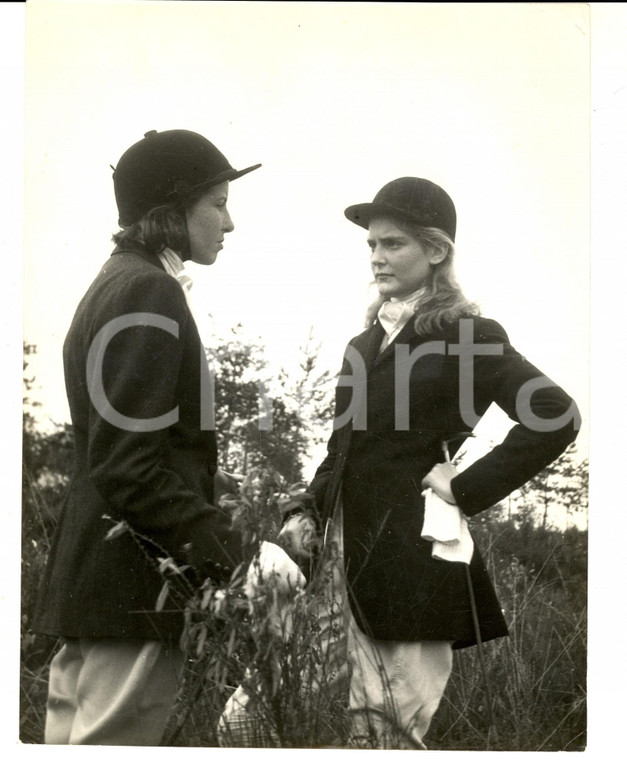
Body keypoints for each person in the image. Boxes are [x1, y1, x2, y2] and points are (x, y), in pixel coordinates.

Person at [276, 177, 580, 748]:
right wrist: (306, 514)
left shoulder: (467, 336)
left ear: (435, 252)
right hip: (335, 571)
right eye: (371, 245)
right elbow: (340, 452)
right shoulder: (362, 346)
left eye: (393, 244)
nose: (377, 257)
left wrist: (463, 485)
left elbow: (555, 415)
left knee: (383, 740)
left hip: (413, 572)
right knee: (246, 721)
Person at [32, 129, 265, 745]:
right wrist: (237, 553)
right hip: (133, 593)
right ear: (171, 211)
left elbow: (125, 453)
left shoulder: (113, 282)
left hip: (94, 589)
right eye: (217, 203)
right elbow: (129, 466)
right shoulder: (148, 289)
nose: (230, 222)